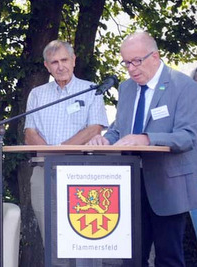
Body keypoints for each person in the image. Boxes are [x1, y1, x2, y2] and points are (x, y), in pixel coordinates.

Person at [88, 31, 197, 266]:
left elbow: (188, 136)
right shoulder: (126, 89)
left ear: (155, 57)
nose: (131, 69)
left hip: (168, 184)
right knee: (131, 259)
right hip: (129, 184)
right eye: (126, 62)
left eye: (137, 61)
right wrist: (105, 139)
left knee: (169, 259)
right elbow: (120, 129)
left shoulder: (183, 86)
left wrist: (147, 138)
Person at [24, 40, 108, 266]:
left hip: (82, 171)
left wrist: (58, 151)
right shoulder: (37, 94)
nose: (60, 66)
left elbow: (95, 129)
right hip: (44, 171)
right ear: (46, 66)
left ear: (73, 60)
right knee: (52, 237)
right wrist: (51, 156)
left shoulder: (92, 90)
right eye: (54, 62)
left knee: (87, 235)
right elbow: (30, 133)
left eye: (64, 60)